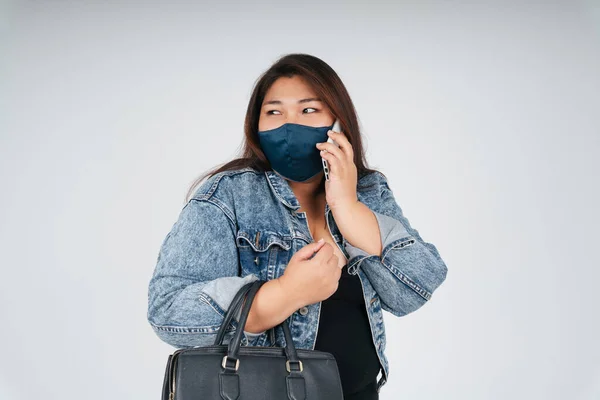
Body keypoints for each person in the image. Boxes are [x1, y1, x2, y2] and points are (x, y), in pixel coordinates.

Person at [147, 53, 448, 399]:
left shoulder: (368, 190)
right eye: (274, 112)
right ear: (256, 127)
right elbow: (168, 311)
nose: (289, 126)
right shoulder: (227, 195)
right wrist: (286, 294)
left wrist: (347, 208)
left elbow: (415, 288)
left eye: (308, 110)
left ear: (338, 122)